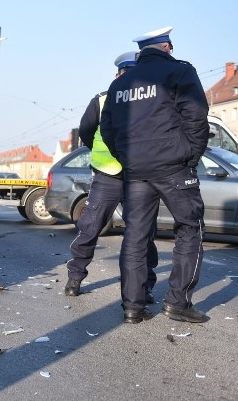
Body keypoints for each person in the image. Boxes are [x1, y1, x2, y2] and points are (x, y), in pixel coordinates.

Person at [100, 26, 210, 324]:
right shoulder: (179, 72)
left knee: (135, 236)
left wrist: (125, 156)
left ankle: (133, 308)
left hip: (135, 170)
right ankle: (178, 302)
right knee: (190, 228)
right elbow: (197, 117)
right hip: (174, 166)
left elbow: (107, 129)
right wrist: (191, 154)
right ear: (167, 47)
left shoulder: (121, 84)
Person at [65, 51, 159, 310]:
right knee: (93, 226)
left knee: (141, 233)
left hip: (137, 176)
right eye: (124, 73)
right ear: (117, 74)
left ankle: (145, 285)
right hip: (110, 175)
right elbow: (86, 131)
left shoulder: (148, 98)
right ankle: (75, 277)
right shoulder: (103, 100)